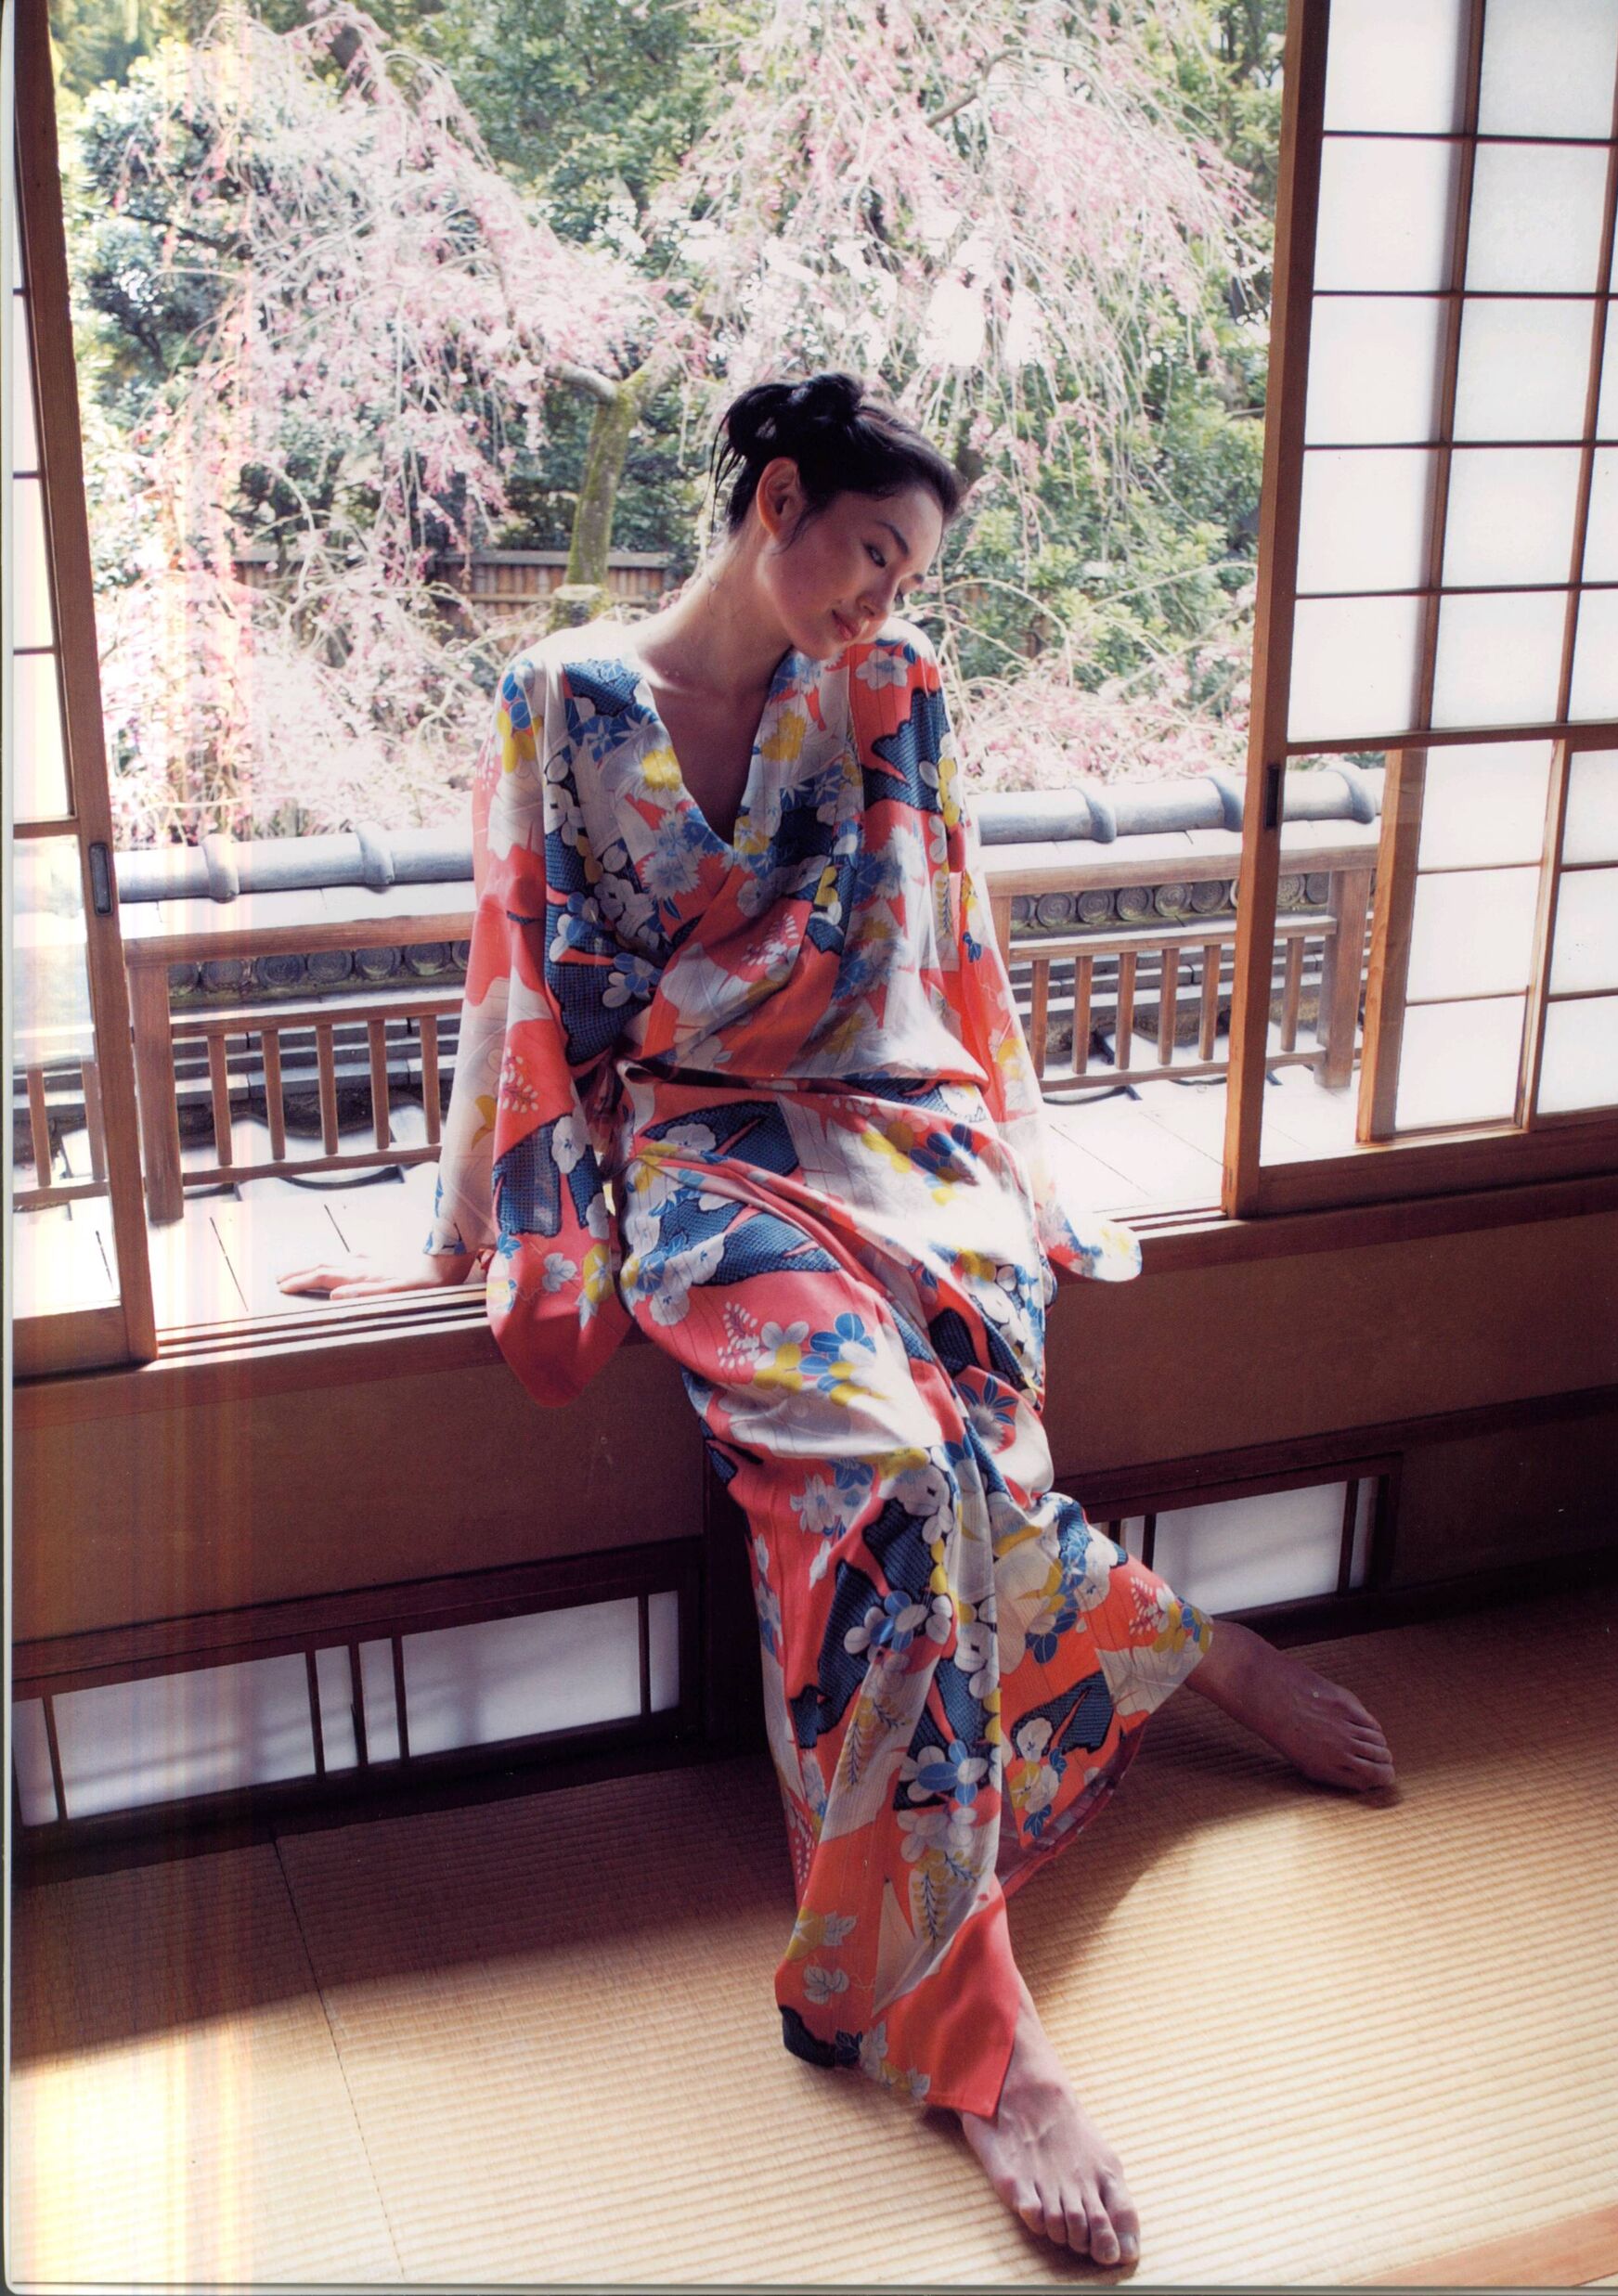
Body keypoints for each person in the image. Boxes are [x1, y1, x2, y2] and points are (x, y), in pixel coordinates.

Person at [281, 371, 1395, 2274]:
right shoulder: (562, 700)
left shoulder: (892, 688)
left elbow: (959, 936)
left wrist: (1018, 1158)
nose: (885, 599)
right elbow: (509, 978)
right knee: (882, 1476)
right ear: (776, 499)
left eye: (908, 575)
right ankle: (989, 2017)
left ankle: (1174, 1653)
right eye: (871, 553)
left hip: (898, 1129)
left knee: (957, 1461)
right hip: (700, 1157)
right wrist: (463, 1230)